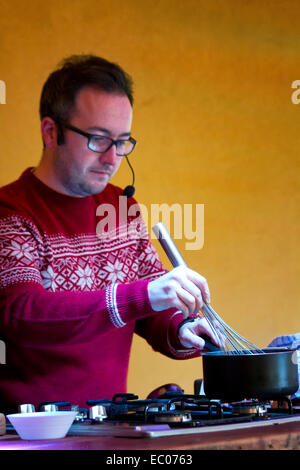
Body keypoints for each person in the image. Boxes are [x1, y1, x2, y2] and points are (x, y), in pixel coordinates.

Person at [0, 55, 220, 413]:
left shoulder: (120, 207)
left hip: (110, 425)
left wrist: (182, 329)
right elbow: (22, 313)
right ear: (50, 131)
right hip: (30, 433)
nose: (113, 157)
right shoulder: (10, 211)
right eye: (98, 139)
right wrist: (141, 295)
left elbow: (150, 308)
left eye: (123, 141)